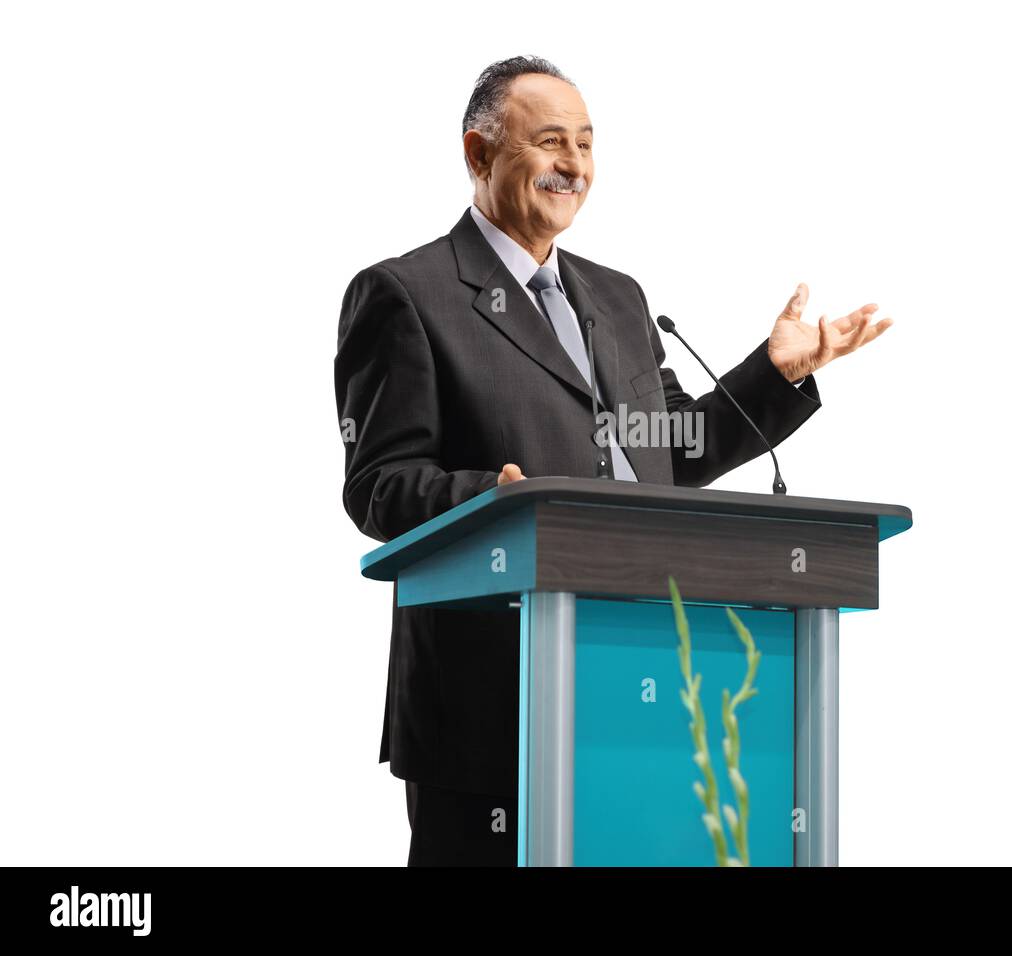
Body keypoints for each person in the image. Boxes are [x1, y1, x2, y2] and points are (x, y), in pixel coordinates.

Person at [334, 55, 892, 866]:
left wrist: (774, 378)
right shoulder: (405, 293)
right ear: (479, 154)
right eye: (551, 141)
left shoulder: (618, 297)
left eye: (587, 145)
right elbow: (379, 485)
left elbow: (670, 450)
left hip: (646, 683)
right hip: (491, 701)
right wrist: (490, 497)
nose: (574, 165)